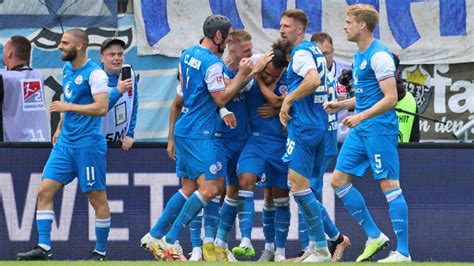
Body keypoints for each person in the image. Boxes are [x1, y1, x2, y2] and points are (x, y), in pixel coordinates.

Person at [140, 15, 258, 261]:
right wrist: (243, 74)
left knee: (189, 187)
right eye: (225, 37)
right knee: (213, 187)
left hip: (186, 128)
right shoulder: (212, 63)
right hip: (200, 133)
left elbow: (189, 93)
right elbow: (221, 98)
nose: (226, 43)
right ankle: (170, 241)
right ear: (217, 36)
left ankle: (155, 235)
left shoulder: (188, 54)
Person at [323, 4, 411, 262]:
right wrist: (341, 105)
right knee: (338, 180)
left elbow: (391, 98)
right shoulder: (359, 56)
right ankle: (375, 236)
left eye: (349, 22)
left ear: (362, 25)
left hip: (379, 130)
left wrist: (360, 115)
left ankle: (403, 253)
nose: (344, 26)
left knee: (389, 185)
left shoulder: (379, 55)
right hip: (362, 129)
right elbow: (365, 97)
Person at [16, 29, 111, 261]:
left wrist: (67, 109)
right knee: (44, 191)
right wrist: (59, 127)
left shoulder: (96, 74)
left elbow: (101, 107)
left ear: (79, 46)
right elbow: (68, 99)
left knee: (96, 199)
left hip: (88, 146)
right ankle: (44, 247)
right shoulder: (67, 68)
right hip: (65, 144)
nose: (60, 46)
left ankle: (100, 251)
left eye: (64, 42)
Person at [188, 29, 254, 262]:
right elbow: (203, 100)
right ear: (232, 51)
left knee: (233, 191)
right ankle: (197, 246)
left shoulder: (250, 68)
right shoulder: (215, 70)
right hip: (216, 140)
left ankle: (220, 245)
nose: (251, 54)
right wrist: (223, 109)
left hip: (243, 141)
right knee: (208, 191)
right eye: (246, 50)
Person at [293, 32, 351, 262]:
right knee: (305, 191)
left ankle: (326, 242)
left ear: (333, 52)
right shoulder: (306, 70)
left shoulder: (346, 70)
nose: (322, 57)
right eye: (318, 53)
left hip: (326, 136)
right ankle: (317, 244)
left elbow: (361, 98)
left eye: (326, 53)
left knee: (306, 189)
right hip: (310, 135)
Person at [278, 9, 331, 262]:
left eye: (287, 26)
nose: (282, 30)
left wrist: (288, 99)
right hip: (319, 125)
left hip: (305, 127)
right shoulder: (314, 50)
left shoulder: (300, 52)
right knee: (304, 187)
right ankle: (314, 243)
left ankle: (321, 248)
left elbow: (312, 80)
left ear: (300, 29)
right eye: (281, 25)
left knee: (297, 186)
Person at [0, 35, 50, 142]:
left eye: (5, 48)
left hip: (15, 147)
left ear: (10, 53)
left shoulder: (4, 78)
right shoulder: (38, 76)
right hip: (42, 143)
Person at [99, 38, 138, 150]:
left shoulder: (129, 72)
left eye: (120, 54)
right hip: (98, 143)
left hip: (121, 143)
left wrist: (130, 133)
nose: (116, 58)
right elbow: (99, 109)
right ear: (102, 58)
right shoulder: (95, 77)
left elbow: (133, 104)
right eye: (111, 54)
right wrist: (118, 91)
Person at [392, 54, 419, 143]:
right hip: (406, 154)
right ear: (397, 72)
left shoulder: (370, 99)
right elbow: (415, 138)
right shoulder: (409, 98)